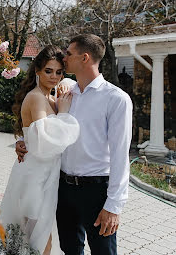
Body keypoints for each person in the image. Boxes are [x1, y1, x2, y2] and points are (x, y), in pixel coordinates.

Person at [15, 34, 133, 255]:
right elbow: (47, 131)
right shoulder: (67, 93)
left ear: (85, 58)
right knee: (70, 250)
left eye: (69, 53)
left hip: (97, 191)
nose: (64, 57)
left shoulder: (116, 99)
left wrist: (114, 206)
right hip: (63, 189)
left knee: (103, 252)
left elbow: (120, 155)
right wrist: (23, 141)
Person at [0, 46, 80, 255]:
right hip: (35, 176)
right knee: (36, 240)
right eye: (48, 71)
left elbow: (33, 135)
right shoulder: (36, 98)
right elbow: (45, 143)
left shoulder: (51, 97)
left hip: (47, 175)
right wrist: (63, 114)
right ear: (37, 71)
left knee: (43, 238)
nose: (54, 77)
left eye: (59, 72)